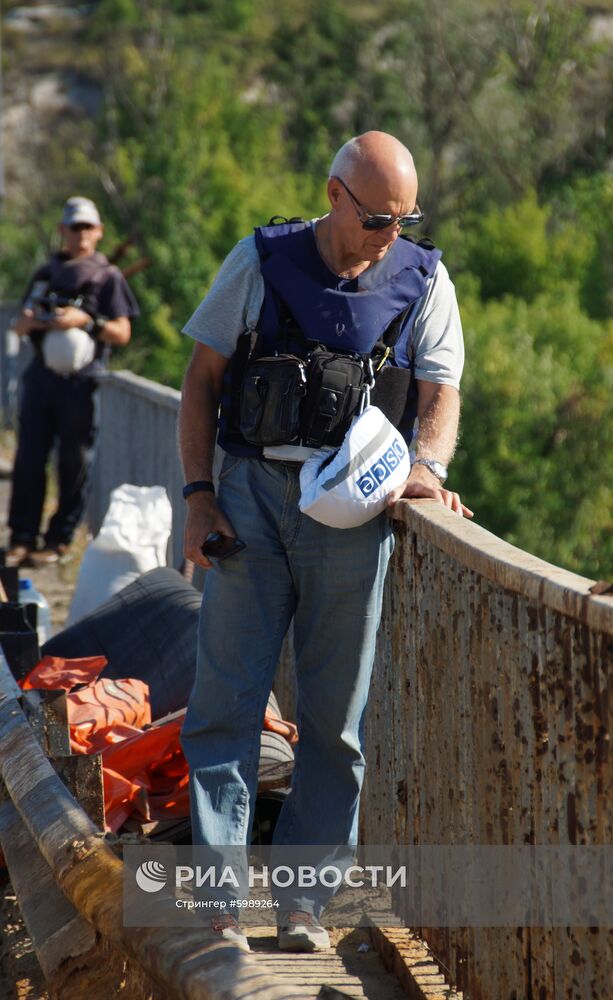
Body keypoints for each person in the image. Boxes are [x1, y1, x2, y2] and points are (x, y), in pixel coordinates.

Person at [179, 131, 473, 952]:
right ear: (335, 195)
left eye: (404, 218)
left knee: (335, 722)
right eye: (378, 217)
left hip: (355, 515)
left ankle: (304, 904)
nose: (392, 233)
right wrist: (197, 499)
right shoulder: (262, 259)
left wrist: (427, 465)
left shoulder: (423, 276)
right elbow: (200, 380)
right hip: (249, 499)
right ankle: (218, 905)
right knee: (225, 705)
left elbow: (440, 389)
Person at [7, 197, 139, 567]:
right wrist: (35, 321)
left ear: (98, 232)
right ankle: (21, 539)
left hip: (81, 383)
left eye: (86, 227)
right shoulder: (45, 273)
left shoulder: (106, 275)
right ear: (62, 231)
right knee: (29, 459)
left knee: (73, 461)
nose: (79, 234)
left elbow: (122, 332)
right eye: (73, 227)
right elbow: (18, 324)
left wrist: (85, 321)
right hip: (41, 378)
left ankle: (59, 541)